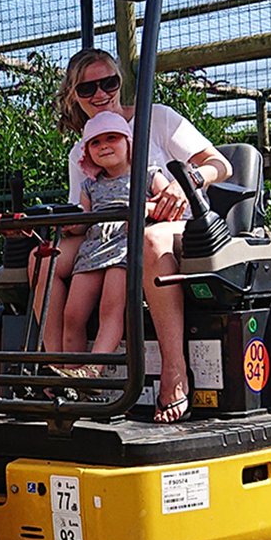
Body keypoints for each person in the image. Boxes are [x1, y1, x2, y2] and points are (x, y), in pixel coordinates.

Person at [38, 48, 231, 423]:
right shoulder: (84, 149)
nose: (100, 93)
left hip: (178, 224)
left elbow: (219, 164)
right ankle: (62, 370)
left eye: (108, 82)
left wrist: (187, 182)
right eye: (87, 88)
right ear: (74, 95)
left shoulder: (157, 118)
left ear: (120, 82)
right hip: (111, 231)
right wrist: (59, 224)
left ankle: (175, 372)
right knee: (42, 258)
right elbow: (85, 214)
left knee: (150, 241)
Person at [60, 112, 170, 372]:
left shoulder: (148, 175)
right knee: (72, 314)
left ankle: (93, 370)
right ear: (87, 152)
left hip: (125, 248)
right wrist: (71, 225)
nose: (104, 146)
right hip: (93, 249)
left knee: (110, 309)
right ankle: (68, 371)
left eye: (112, 138)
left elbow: (168, 208)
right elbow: (84, 221)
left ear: (128, 143)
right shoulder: (90, 186)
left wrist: (145, 210)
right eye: (95, 142)